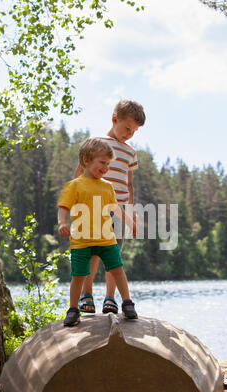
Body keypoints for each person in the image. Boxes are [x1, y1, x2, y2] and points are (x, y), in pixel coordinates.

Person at [74, 100, 146, 315]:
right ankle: (86, 294)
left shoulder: (130, 152)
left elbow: (129, 183)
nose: (129, 134)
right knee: (93, 253)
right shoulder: (95, 143)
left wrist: (131, 213)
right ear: (115, 120)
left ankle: (110, 298)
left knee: (113, 254)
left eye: (134, 131)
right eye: (127, 128)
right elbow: (79, 172)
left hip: (120, 210)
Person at [57, 137, 138, 327]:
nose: (106, 167)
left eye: (108, 164)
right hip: (81, 241)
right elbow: (64, 207)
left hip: (106, 239)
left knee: (117, 269)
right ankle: (73, 309)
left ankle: (127, 303)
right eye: (102, 162)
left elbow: (115, 208)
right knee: (79, 275)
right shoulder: (74, 185)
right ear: (86, 160)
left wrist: (130, 222)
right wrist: (62, 223)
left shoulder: (107, 186)